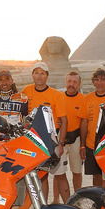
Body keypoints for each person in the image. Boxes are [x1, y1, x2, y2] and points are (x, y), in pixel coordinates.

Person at [22, 62, 67, 201]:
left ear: (47, 76)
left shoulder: (56, 95)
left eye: (42, 73)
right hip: (33, 139)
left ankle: (70, 207)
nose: (39, 76)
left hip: (52, 138)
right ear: (32, 75)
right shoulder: (26, 91)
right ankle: (43, 207)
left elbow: (64, 121)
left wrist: (60, 143)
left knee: (60, 175)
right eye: (36, 72)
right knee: (41, 175)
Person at [52, 71, 84, 203]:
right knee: (58, 171)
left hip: (75, 138)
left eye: (75, 82)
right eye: (69, 81)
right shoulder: (58, 97)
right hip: (60, 138)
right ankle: (55, 199)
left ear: (79, 84)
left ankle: (77, 199)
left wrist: (83, 145)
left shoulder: (83, 99)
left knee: (77, 171)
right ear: (66, 82)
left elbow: (83, 123)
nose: (72, 84)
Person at [79, 68, 105, 188]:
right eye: (97, 80)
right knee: (96, 176)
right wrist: (82, 145)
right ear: (93, 82)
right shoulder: (87, 99)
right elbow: (84, 122)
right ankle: (98, 203)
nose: (100, 83)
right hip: (91, 144)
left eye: (103, 80)